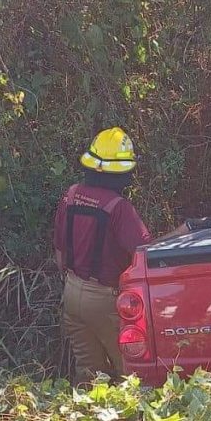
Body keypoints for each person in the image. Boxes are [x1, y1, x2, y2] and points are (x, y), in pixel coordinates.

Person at [54, 128, 152, 383]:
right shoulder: (119, 209)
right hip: (105, 300)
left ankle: (86, 419)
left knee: (89, 373)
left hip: (71, 294)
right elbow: (145, 254)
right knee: (133, 371)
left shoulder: (71, 195)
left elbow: (59, 251)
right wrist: (182, 232)